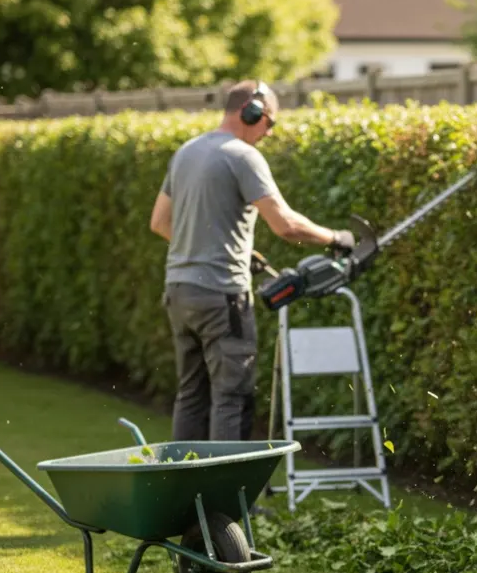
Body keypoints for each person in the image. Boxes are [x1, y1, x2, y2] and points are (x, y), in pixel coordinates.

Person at [148, 79, 355, 442]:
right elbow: (286, 225)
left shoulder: (187, 151)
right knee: (232, 397)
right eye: (269, 123)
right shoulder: (242, 155)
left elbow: (160, 223)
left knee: (191, 397)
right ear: (252, 112)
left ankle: (185, 496)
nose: (269, 133)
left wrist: (223, 248)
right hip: (220, 295)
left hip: (179, 291)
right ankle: (229, 499)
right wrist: (336, 238)